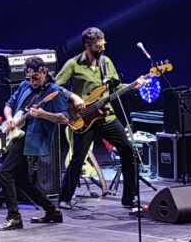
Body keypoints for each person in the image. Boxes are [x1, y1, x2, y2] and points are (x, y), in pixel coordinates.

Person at [55, 27, 140, 209]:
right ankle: (64, 198)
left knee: (128, 152)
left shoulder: (106, 62)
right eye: (98, 45)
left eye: (103, 44)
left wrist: (132, 86)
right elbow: (55, 88)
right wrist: (73, 96)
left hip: (106, 116)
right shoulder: (73, 64)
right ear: (87, 46)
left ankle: (129, 198)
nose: (102, 48)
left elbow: (115, 87)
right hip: (83, 118)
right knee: (78, 158)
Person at [0, 56, 69, 231]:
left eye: (36, 77)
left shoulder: (54, 90)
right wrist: (10, 119)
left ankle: (14, 217)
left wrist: (42, 114)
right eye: (29, 78)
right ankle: (52, 211)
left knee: (5, 172)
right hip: (17, 133)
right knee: (21, 179)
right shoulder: (24, 86)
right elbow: (8, 105)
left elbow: (64, 118)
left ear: (44, 72)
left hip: (30, 138)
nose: (32, 81)